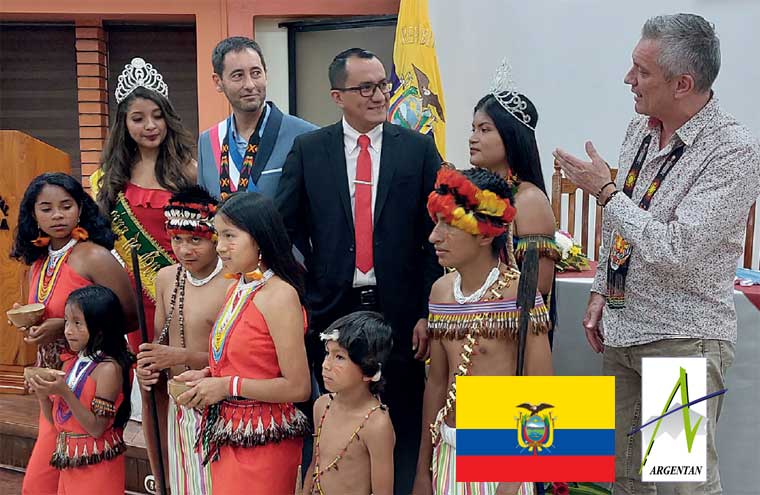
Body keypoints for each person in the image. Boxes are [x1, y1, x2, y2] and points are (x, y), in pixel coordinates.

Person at [553, 13, 760, 495]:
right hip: (624, 333)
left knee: (675, 485)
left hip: (681, 339)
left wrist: (605, 191)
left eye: (641, 72)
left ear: (682, 82)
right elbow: (629, 217)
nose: (629, 80)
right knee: (624, 481)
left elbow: (678, 248)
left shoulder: (733, 149)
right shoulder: (642, 129)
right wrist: (603, 287)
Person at [275, 47, 442, 494]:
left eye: (382, 84)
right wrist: (303, 289)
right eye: (365, 87)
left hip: (402, 311)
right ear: (338, 96)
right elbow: (281, 227)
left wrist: (427, 307)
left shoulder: (418, 149)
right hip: (333, 307)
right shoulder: (310, 150)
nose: (378, 95)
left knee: (402, 416)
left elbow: (436, 234)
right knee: (339, 417)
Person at [412, 166, 553, 495]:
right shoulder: (440, 292)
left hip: (503, 458)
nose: (434, 237)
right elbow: (435, 383)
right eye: (436, 224)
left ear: (486, 234)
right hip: (447, 452)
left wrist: (512, 481)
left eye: (449, 225)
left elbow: (542, 392)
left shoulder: (519, 294)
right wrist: (423, 470)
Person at [91, 56, 197, 491]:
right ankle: (165, 477)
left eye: (156, 115)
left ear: (168, 118)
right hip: (136, 303)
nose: (149, 125)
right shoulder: (112, 178)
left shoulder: (186, 168)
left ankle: (194, 473)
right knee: (151, 392)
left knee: (186, 386)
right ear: (124, 123)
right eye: (137, 118)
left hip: (183, 295)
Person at [174, 192, 311, 494]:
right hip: (228, 432)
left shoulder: (280, 295)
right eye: (217, 235)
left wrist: (226, 386)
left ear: (259, 238)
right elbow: (244, 362)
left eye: (230, 236)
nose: (220, 247)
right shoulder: (236, 287)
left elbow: (298, 387)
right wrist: (208, 376)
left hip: (264, 439)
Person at [10, 173, 135, 495]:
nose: (57, 216)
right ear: (33, 214)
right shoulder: (37, 261)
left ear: (80, 209)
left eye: (66, 206)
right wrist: (35, 328)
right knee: (44, 485)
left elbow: (130, 319)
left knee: (55, 483)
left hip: (88, 382)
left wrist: (61, 330)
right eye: (46, 208)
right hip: (51, 383)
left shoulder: (94, 255)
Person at [135, 185, 230, 495]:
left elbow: (235, 357)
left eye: (196, 240)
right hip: (178, 406)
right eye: (177, 239)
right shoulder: (166, 277)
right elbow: (162, 341)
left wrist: (176, 357)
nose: (186, 250)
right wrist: (150, 367)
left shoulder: (233, 282)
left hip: (221, 403)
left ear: (215, 238)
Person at [470, 64, 560, 337]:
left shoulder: (528, 199)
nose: (473, 138)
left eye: (485, 130)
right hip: (473, 318)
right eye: (473, 128)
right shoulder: (479, 194)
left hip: (511, 329)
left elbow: (539, 286)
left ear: (511, 138)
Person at [27, 285, 135, 495]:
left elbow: (96, 428)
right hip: (70, 461)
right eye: (67, 321)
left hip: (96, 465)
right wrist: (43, 394)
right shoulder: (70, 363)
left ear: (100, 327)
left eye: (77, 323)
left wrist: (64, 391)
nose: (68, 330)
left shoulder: (108, 370)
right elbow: (56, 422)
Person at [197, 36, 317, 200]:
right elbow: (205, 210)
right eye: (238, 75)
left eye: (256, 73)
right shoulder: (207, 142)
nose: (250, 85)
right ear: (218, 82)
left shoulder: (306, 136)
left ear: (265, 75)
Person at [303, 311, 395, 495]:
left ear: (369, 370)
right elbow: (315, 464)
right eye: (327, 353)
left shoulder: (376, 424)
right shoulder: (321, 406)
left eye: (339, 357)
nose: (326, 365)